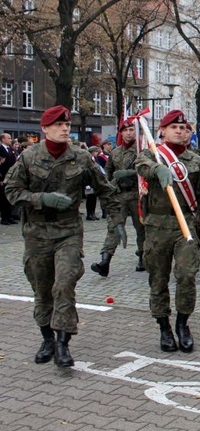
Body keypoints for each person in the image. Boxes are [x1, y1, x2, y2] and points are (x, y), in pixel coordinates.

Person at [4, 106, 126, 367]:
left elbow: (107, 190)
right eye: (58, 125)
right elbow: (12, 191)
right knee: (42, 289)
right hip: (36, 233)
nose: (64, 129)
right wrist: (41, 198)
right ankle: (47, 338)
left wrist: (116, 223)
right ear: (45, 129)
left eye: (67, 125)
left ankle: (62, 343)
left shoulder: (81, 157)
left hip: (68, 231)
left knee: (64, 284)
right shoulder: (28, 157)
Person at [135, 109, 200, 353]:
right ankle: (164, 327)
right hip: (158, 227)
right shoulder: (152, 154)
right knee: (158, 279)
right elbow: (142, 166)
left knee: (186, 275)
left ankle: (182, 324)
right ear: (163, 131)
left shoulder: (196, 160)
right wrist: (157, 170)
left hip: (186, 226)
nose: (179, 131)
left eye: (184, 128)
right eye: (174, 127)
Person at [91, 120, 147, 277]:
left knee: (141, 227)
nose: (129, 133)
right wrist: (110, 186)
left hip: (137, 194)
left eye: (131, 130)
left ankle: (143, 257)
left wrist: (130, 174)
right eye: (126, 130)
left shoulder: (142, 151)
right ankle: (105, 261)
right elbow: (108, 174)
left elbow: (148, 171)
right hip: (119, 195)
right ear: (121, 133)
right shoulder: (115, 153)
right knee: (114, 227)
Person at [0, 132, 18, 224]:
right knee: (3, 198)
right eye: (9, 138)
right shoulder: (0, 149)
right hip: (3, 177)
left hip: (11, 177)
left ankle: (9, 216)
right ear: (3, 139)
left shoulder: (12, 149)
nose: (11, 140)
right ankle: (4, 217)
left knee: (10, 197)